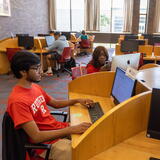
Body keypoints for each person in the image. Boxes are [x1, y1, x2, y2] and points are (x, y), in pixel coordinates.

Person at [7, 51, 93, 160]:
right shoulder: (17, 101)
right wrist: (71, 130)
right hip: (47, 145)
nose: (40, 71)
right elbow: (36, 136)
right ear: (23, 72)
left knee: (93, 136)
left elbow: (55, 103)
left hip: (57, 130)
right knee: (86, 154)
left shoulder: (34, 87)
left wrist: (77, 100)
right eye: (36, 68)